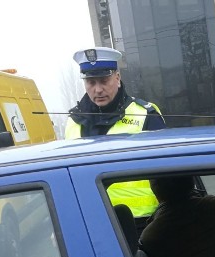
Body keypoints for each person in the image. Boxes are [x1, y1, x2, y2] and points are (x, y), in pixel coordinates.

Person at [65, 47, 165, 217]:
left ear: (117, 78)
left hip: (145, 223)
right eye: (91, 82)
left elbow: (170, 175)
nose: (97, 89)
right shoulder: (73, 121)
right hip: (94, 220)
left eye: (104, 81)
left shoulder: (146, 115)